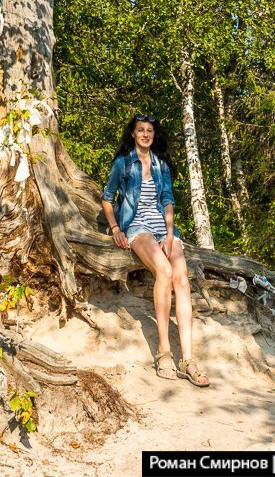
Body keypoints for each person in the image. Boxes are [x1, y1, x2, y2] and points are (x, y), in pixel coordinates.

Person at [100, 113, 210, 386]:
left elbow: (167, 199)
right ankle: (164, 352)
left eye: (150, 130)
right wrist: (115, 228)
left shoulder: (161, 165)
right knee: (165, 271)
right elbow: (107, 198)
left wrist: (171, 234)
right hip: (136, 227)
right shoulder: (123, 164)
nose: (146, 134)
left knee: (182, 280)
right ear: (133, 134)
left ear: (153, 135)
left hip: (163, 227)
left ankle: (188, 359)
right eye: (141, 130)